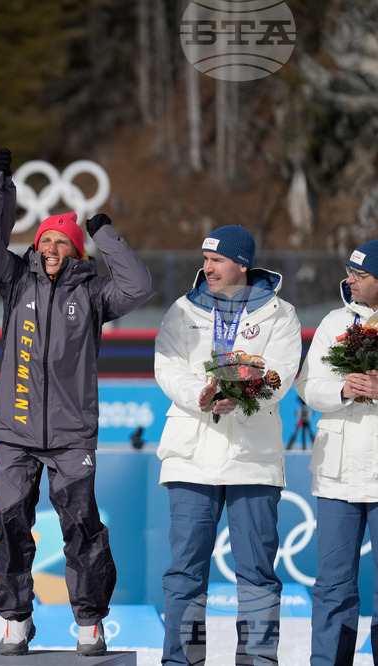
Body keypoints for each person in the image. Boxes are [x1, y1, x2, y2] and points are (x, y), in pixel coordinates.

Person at [0, 151, 156, 656]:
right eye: (45, 240)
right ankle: (15, 617)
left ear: (76, 252)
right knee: (9, 526)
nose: (51, 248)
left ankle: (89, 620)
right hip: (16, 434)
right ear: (35, 247)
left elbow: (139, 285)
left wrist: (103, 233)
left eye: (62, 243)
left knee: (81, 527)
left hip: (72, 436)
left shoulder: (93, 294)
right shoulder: (16, 281)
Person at [154, 225, 302, 665]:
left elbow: (279, 373)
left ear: (242, 263)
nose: (207, 267)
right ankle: (183, 660)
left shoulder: (280, 314)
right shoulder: (183, 309)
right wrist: (198, 395)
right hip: (192, 456)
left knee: (256, 574)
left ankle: (256, 661)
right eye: (204, 258)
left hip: (251, 460)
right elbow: (167, 365)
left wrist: (235, 396)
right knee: (185, 573)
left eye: (217, 260)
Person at [295, 239, 378, 665]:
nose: (349, 280)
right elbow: (308, 386)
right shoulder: (333, 322)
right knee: (332, 585)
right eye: (351, 271)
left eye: (360, 275)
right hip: (337, 475)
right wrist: (344, 389)